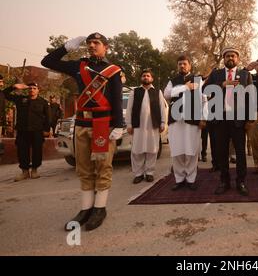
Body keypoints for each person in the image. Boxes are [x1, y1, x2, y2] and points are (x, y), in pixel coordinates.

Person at [42, 33, 124, 230]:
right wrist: (66, 48)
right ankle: (86, 209)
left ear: (106, 47)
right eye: (89, 43)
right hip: (81, 125)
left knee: (103, 168)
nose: (92, 46)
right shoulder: (79, 66)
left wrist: (119, 125)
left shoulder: (113, 70)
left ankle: (100, 208)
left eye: (96, 43)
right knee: (84, 169)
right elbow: (47, 61)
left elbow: (117, 99)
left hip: (103, 125)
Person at [203, 47, 254, 196]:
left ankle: (241, 182)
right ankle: (224, 181)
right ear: (224, 59)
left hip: (238, 120)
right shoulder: (216, 74)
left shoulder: (245, 75)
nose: (230, 58)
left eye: (233, 56)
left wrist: (250, 119)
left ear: (237, 59)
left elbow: (250, 98)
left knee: (240, 153)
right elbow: (205, 91)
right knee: (221, 152)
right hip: (220, 119)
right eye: (227, 56)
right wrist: (221, 85)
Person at [164, 55, 206, 191]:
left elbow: (203, 100)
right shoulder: (172, 81)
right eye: (180, 64)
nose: (182, 66)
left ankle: (191, 178)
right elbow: (167, 94)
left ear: (190, 66)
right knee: (177, 150)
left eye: (184, 64)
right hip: (175, 121)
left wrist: (203, 118)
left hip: (192, 120)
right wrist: (185, 87)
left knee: (191, 150)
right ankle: (179, 178)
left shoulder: (198, 80)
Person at [126, 69, 166, 184]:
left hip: (153, 125)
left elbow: (162, 108)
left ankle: (149, 173)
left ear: (152, 79)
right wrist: (129, 124)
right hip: (138, 125)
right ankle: (138, 173)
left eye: (148, 76)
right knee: (137, 150)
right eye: (144, 76)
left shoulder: (157, 92)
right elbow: (129, 108)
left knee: (152, 150)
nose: (146, 77)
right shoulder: (135, 92)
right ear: (141, 78)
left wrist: (162, 122)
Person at [4, 82, 50, 181]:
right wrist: (13, 87)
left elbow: (48, 117)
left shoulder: (43, 102)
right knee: (22, 151)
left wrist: (46, 130)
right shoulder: (21, 99)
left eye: (34, 88)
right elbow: (5, 94)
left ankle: (34, 170)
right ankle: (24, 172)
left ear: (38, 90)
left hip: (37, 130)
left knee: (37, 151)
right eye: (30, 88)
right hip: (22, 130)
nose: (32, 90)